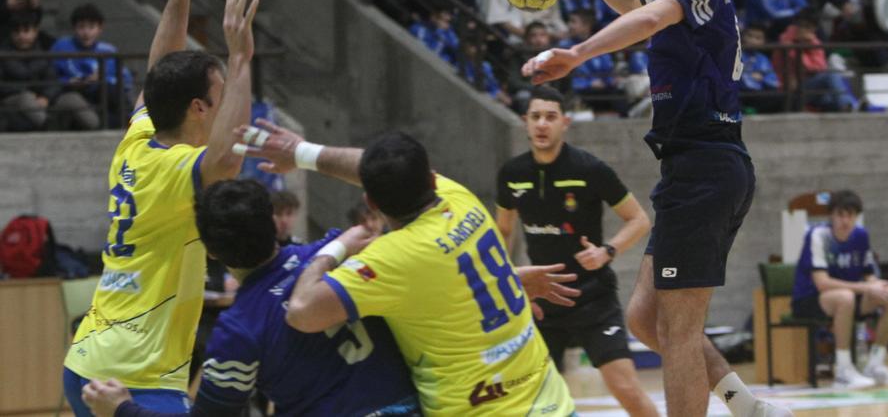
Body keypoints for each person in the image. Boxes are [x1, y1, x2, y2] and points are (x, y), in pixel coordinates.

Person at [516, 0, 789, 416]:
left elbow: (647, 19)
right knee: (646, 318)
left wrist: (578, 52)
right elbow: (634, 2)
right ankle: (751, 409)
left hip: (707, 166)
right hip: (692, 168)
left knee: (679, 331)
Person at [61, 0, 259, 415]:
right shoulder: (174, 171)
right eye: (218, 98)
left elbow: (160, 69)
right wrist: (240, 61)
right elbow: (227, 161)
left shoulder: (141, 137)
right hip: (134, 375)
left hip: (91, 358)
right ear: (198, 109)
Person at [236, 128, 578, 415]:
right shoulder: (460, 199)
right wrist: (302, 152)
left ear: (370, 201)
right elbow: (377, 169)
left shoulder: (391, 258)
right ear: (431, 178)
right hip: (551, 401)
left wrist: (334, 248)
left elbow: (302, 313)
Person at [78, 180, 421, 416]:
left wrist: (121, 409)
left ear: (210, 252)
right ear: (273, 224)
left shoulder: (238, 329)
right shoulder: (333, 252)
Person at [494, 86, 660, 417]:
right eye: (536, 117)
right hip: (542, 300)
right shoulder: (512, 174)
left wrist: (607, 251)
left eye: (551, 117)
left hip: (592, 296)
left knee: (625, 387)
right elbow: (503, 233)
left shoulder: (589, 169)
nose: (542, 124)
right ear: (526, 121)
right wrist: (509, 283)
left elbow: (639, 220)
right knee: (534, 398)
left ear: (565, 122)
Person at [791, 189, 888, 388]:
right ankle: (843, 370)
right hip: (810, 299)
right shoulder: (818, 236)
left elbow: (868, 271)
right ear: (832, 215)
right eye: (840, 215)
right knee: (845, 297)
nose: (845, 221)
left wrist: (876, 284)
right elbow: (822, 282)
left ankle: (875, 364)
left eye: (850, 215)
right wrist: (865, 287)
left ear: (856, 216)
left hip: (851, 296)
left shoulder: (861, 236)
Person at [0, 12, 98, 131]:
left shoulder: (44, 54)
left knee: (71, 98)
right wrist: (27, 93)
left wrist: (46, 97)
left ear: (35, 32)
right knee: (25, 98)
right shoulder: (3, 55)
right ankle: (49, 127)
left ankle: (100, 127)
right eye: (17, 32)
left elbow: (53, 81)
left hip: (43, 100)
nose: (22, 36)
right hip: (13, 100)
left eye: (26, 31)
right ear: (11, 34)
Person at [51, 3, 134, 126]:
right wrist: (69, 82)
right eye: (81, 27)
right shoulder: (61, 46)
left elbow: (125, 80)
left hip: (103, 97)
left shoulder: (109, 50)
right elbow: (50, 75)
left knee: (111, 93)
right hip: (73, 94)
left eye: (91, 27)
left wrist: (100, 79)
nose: (86, 32)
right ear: (74, 28)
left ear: (100, 28)